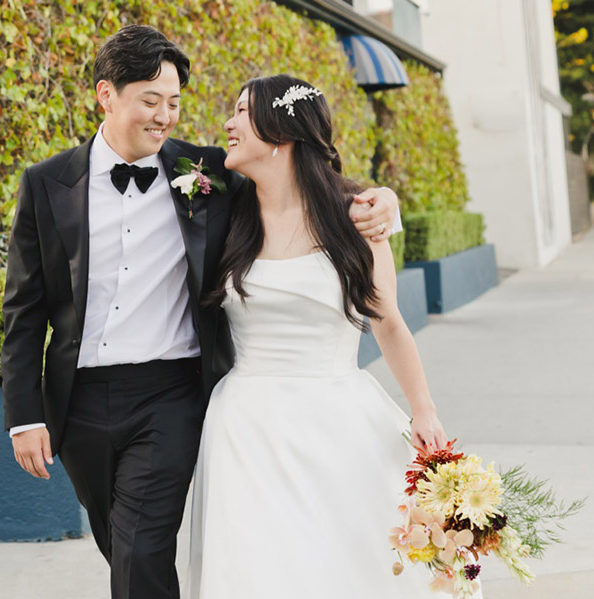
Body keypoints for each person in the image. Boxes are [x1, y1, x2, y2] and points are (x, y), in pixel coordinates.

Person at [1, 27, 400, 599]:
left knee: (142, 546)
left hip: (171, 393)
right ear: (106, 95)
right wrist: (24, 415)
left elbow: (300, 179)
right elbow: (24, 309)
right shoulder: (47, 184)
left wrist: (383, 199)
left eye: (175, 103)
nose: (165, 116)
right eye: (150, 100)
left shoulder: (207, 173)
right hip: (80, 401)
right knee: (121, 545)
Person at [186, 74, 475, 598]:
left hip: (337, 419)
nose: (227, 123)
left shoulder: (357, 216)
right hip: (245, 429)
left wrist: (424, 409)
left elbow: (387, 321)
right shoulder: (226, 210)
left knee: (346, 561)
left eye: (242, 111)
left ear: (283, 133)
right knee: (259, 568)